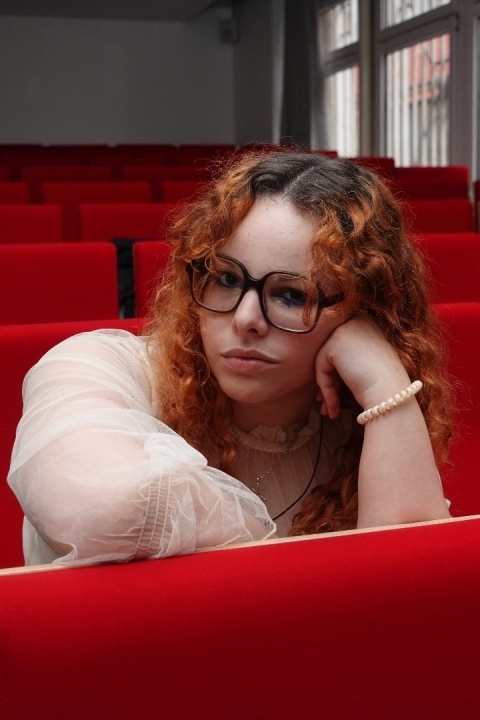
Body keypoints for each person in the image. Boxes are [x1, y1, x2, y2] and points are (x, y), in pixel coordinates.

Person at [8, 150, 452, 566]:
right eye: (225, 278)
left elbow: (413, 589)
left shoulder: (360, 424)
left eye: (292, 294)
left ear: (363, 313)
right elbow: (109, 512)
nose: (245, 319)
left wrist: (384, 382)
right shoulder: (96, 367)